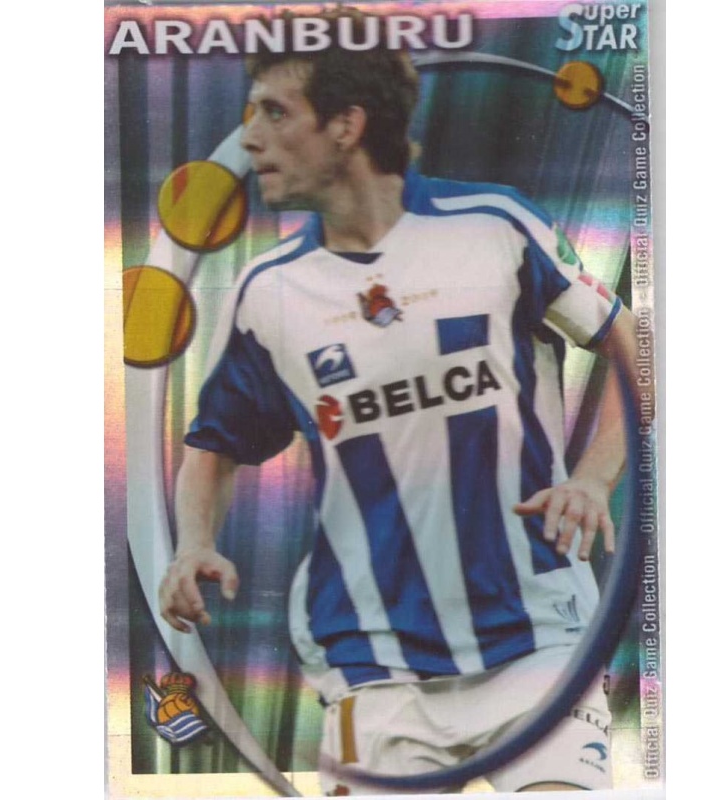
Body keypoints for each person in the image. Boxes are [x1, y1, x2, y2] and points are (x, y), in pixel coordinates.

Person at [159, 12, 642, 794]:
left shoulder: (495, 225)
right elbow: (212, 446)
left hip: (539, 636)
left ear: (346, 125)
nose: (249, 139)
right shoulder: (269, 293)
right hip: (373, 665)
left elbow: (634, 348)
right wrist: (192, 543)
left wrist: (591, 479)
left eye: (275, 112)